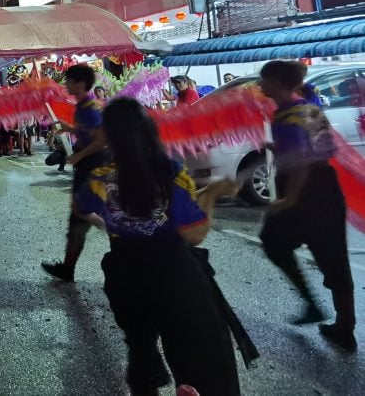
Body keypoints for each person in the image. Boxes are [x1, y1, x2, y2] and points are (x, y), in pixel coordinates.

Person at [75, 97, 241, 395]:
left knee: (140, 348)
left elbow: (81, 207)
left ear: (110, 136)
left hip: (125, 276)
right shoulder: (170, 173)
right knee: (191, 359)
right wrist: (214, 193)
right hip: (173, 276)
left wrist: (109, 223)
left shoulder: (101, 178)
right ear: (149, 130)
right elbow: (194, 233)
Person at [257, 60, 357, 352]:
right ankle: (342, 325)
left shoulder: (287, 116)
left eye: (264, 79)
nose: (260, 85)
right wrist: (279, 150)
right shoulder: (307, 106)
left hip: (306, 192)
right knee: (332, 255)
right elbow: (319, 148)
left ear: (277, 82)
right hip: (327, 187)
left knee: (274, 241)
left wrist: (289, 199)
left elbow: (301, 160)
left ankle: (319, 308)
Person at [41, 64, 109, 282]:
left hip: (93, 166)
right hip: (88, 165)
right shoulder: (83, 106)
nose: (65, 84)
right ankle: (68, 267)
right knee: (79, 217)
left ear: (80, 83)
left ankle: (69, 268)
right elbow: (88, 132)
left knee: (83, 215)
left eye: (68, 80)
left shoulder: (90, 107)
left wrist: (79, 156)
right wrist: (69, 128)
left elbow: (102, 139)